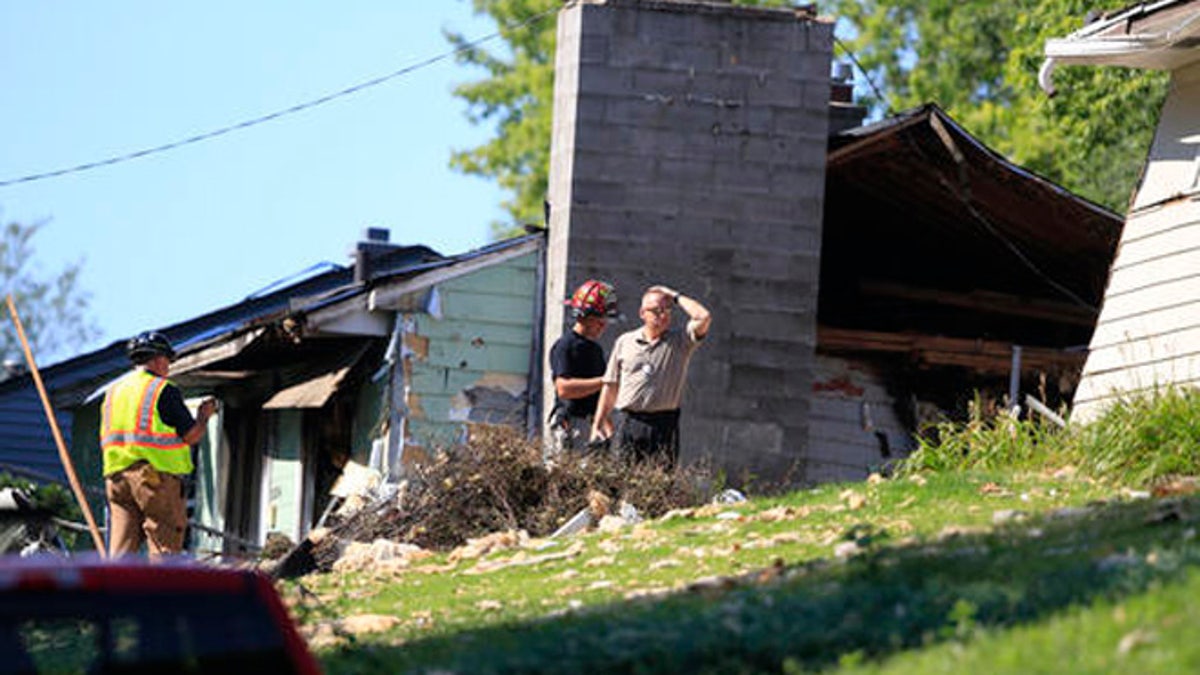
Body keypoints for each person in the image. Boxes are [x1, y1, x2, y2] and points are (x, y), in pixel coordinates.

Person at [100, 331, 217, 558]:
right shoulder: (162, 389)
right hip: (153, 479)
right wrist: (204, 415)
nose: (169, 366)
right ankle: (162, 593)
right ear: (157, 359)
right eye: (168, 361)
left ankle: (115, 593)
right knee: (165, 548)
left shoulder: (113, 392)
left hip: (116, 479)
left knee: (121, 553)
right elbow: (191, 436)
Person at [591, 284, 711, 467]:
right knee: (620, 480)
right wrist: (598, 423)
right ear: (642, 313)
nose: (663, 316)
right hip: (628, 421)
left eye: (667, 310)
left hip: (663, 424)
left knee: (660, 484)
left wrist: (674, 295)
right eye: (656, 311)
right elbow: (611, 386)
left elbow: (703, 317)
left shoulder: (680, 341)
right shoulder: (625, 342)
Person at [546, 279, 620, 463]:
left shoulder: (595, 350)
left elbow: (600, 396)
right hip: (572, 424)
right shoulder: (566, 346)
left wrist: (609, 430)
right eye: (599, 320)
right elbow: (564, 388)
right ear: (583, 315)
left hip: (592, 426)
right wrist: (605, 381)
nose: (603, 325)